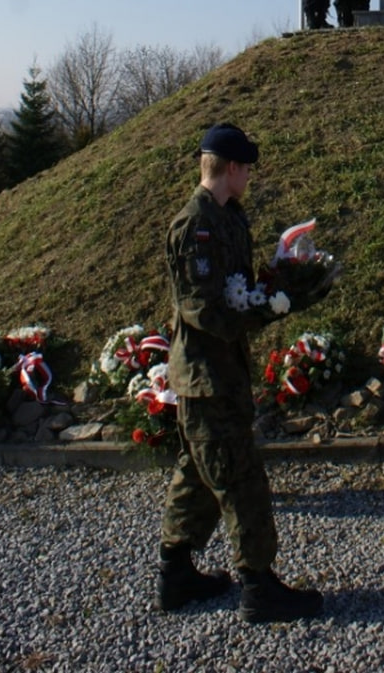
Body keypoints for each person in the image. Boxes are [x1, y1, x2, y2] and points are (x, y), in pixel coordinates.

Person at [158, 122, 327, 621]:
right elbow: (203, 309)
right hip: (204, 376)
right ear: (231, 168)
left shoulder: (231, 217)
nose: (250, 175)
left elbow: (241, 285)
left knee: (199, 471)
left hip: (224, 371)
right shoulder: (196, 226)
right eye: (247, 166)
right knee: (241, 479)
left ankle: (176, 574)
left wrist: (282, 286)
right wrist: (265, 309)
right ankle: (259, 586)